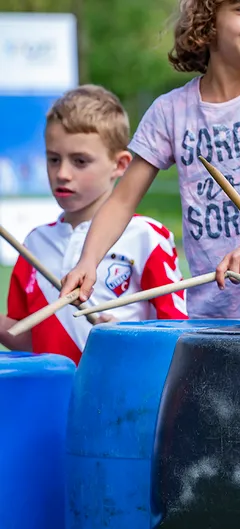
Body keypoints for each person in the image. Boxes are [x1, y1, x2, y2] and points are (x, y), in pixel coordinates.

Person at [59, 0, 240, 323]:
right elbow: (122, 201)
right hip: (211, 319)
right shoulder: (171, 112)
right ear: (207, 21)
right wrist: (88, 261)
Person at [0, 85, 187, 365]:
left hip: (122, 394)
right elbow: (27, 339)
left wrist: (128, 339)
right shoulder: (35, 242)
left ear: (121, 164)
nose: (62, 173)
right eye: (53, 159)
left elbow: (178, 331)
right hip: (54, 396)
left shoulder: (147, 236)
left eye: (80, 161)